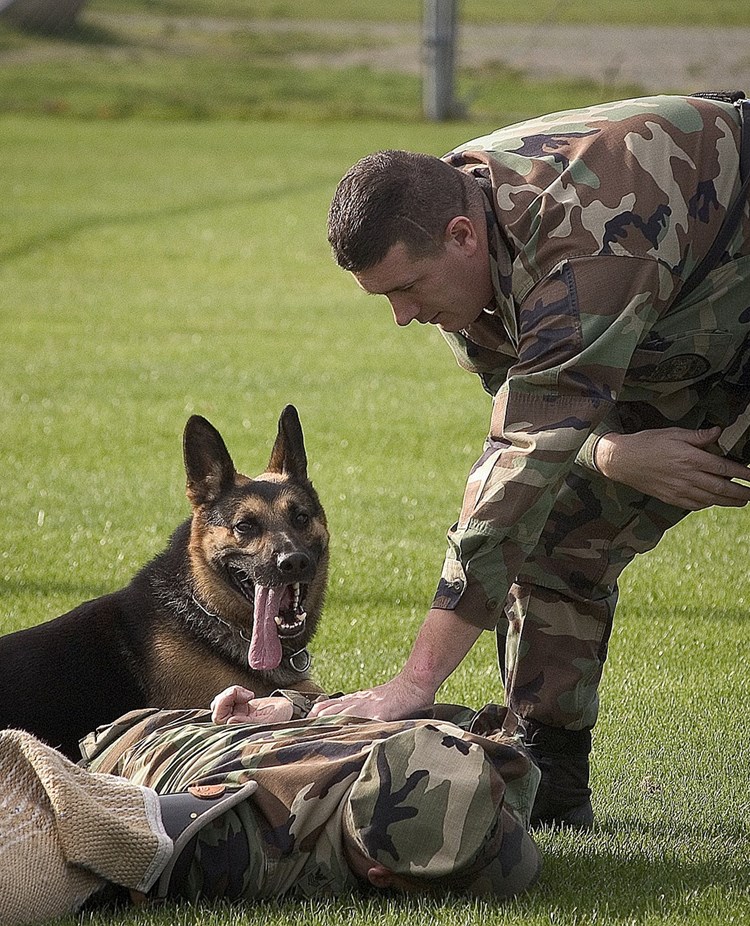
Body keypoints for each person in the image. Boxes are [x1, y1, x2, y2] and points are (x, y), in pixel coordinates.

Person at [315, 92, 750, 828]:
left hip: (708, 299)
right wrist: (614, 452)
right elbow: (530, 409)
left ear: (461, 237)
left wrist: (413, 683)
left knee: (527, 505)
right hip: (691, 331)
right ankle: (548, 777)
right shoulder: (460, 247)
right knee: (556, 534)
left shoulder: (587, 232)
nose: (402, 317)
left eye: (406, 289)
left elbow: (520, 466)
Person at [0, 687, 541, 926]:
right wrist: (289, 709)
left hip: (150, 743)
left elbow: (111, 840)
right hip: (142, 737)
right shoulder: (451, 761)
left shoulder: (242, 851)